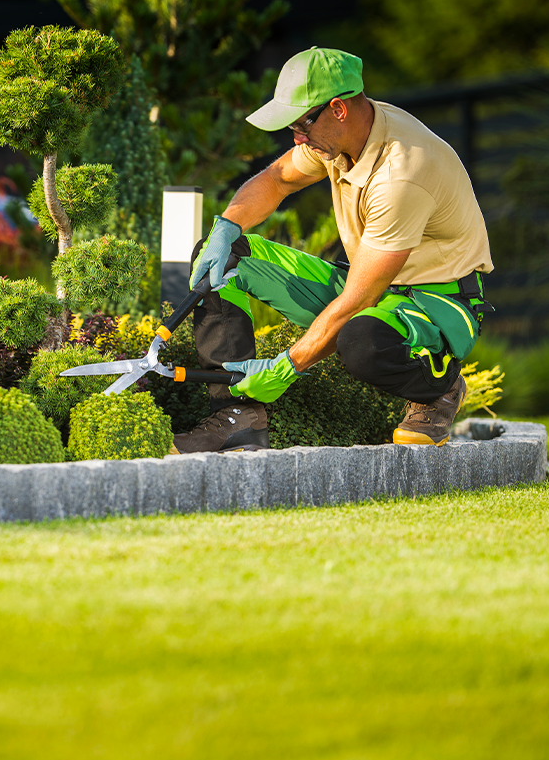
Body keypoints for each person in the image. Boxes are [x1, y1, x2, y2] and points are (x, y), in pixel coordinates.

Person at [172, 46, 493, 454]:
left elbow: (359, 299)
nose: (297, 138)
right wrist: (226, 226)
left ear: (338, 109)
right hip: (371, 282)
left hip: (435, 303)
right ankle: (237, 418)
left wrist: (286, 366)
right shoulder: (341, 138)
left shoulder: (401, 174)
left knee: (361, 341)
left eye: (301, 125)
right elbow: (277, 179)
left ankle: (439, 387)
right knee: (223, 259)